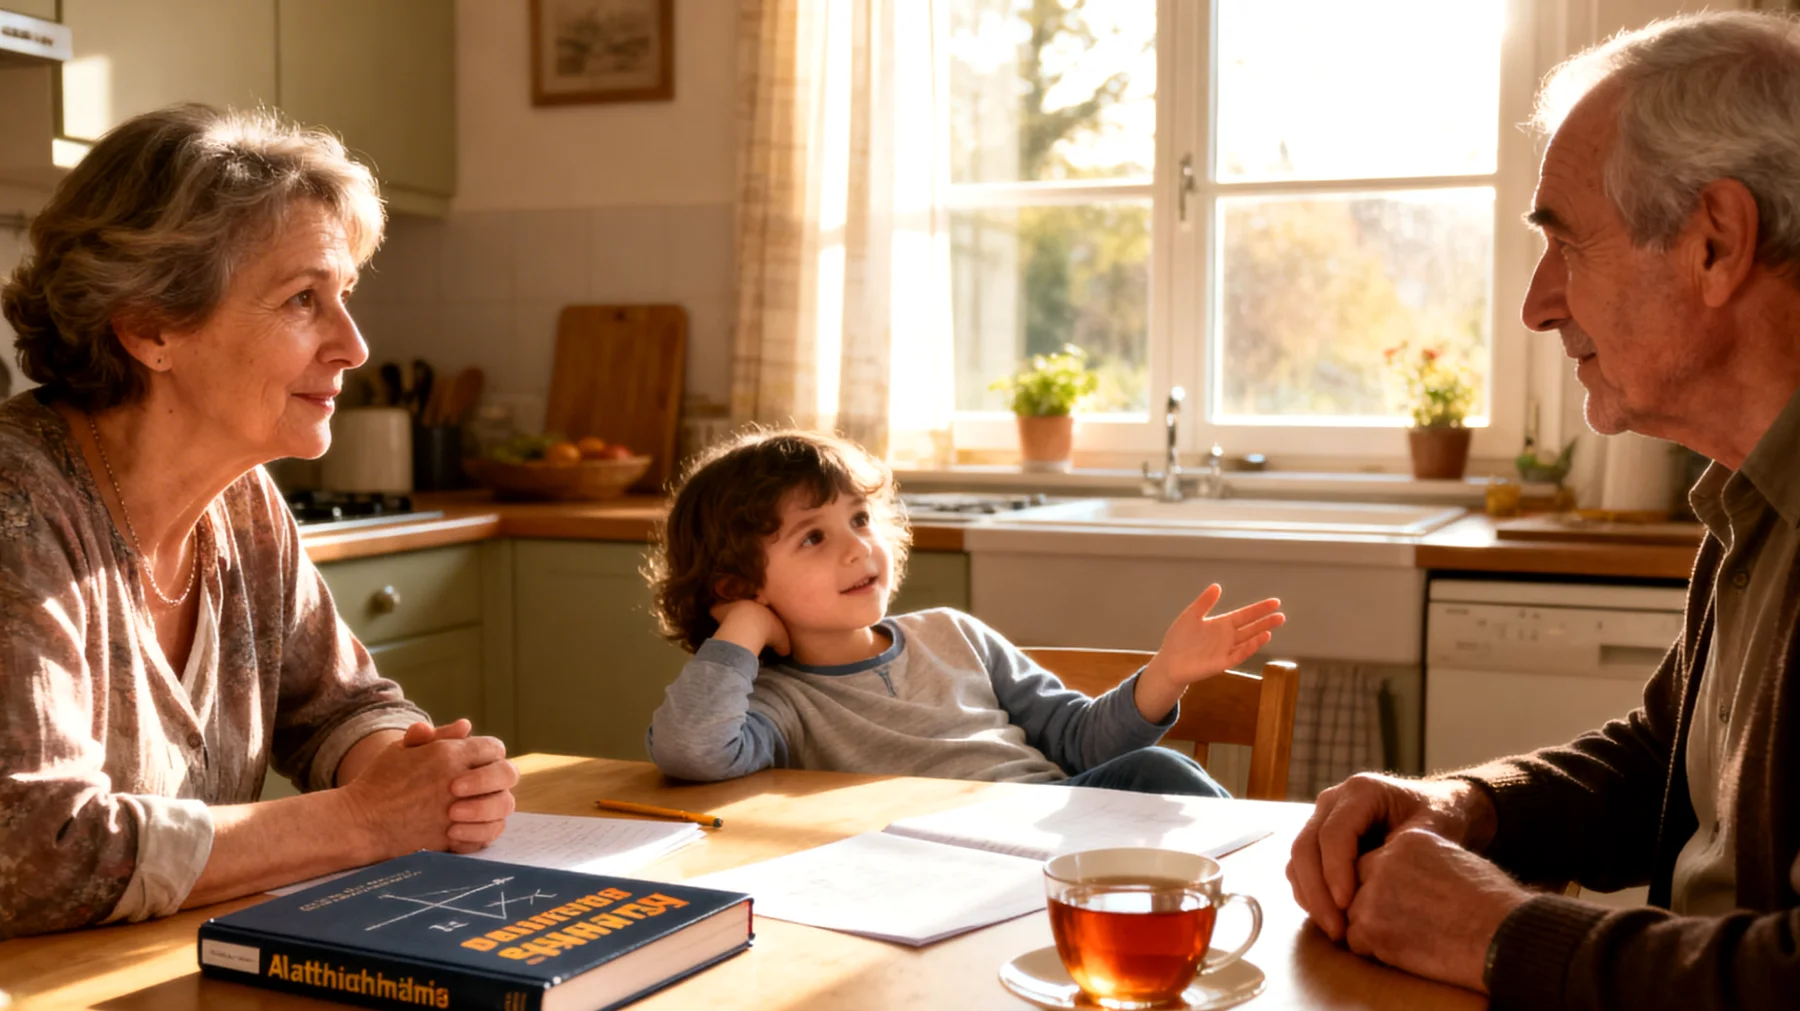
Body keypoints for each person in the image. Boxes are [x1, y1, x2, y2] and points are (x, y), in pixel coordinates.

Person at [1285, 12, 1800, 1009]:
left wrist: (1493, 930)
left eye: (1565, 242)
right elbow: (1665, 766)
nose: (1536, 304)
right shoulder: (1752, 498)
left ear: (1716, 243)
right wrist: (1465, 806)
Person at [0, 105, 517, 938]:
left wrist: (426, 777)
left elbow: (338, 706)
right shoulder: (16, 506)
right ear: (150, 326)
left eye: (343, 295)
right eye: (303, 299)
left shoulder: (243, 503)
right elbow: (35, 852)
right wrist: (369, 819)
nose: (353, 345)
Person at [642, 429, 1285, 793]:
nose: (858, 547)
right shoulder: (780, 705)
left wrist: (1165, 674)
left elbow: (1081, 742)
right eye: (813, 537)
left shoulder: (954, 633)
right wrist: (744, 626)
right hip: (928, 870)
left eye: (860, 519)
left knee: (1158, 774)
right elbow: (690, 751)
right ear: (739, 585)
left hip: (1046, 826)